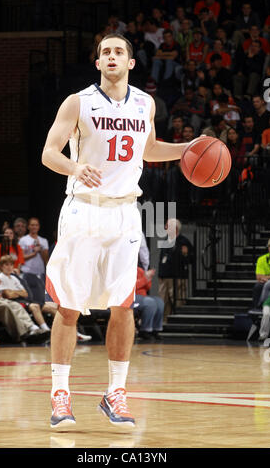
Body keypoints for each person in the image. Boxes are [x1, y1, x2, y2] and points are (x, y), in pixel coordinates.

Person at [41, 33, 190, 431]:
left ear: (130, 63)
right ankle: (60, 393)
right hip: (83, 211)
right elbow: (49, 152)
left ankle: (116, 392)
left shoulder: (145, 103)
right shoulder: (78, 102)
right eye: (105, 52)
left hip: (124, 212)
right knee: (70, 308)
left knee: (123, 305)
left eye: (118, 51)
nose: (111, 56)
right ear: (98, 62)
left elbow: (149, 149)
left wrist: (189, 147)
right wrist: (75, 168)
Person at [0, 244, 48, 344]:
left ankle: (32, 327)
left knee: (14, 304)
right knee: (6, 305)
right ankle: (23, 334)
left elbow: (23, 293)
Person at [0, 255, 51, 335]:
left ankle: (71, 331)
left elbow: (25, 293)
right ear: (1, 266)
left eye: (11, 265)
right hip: (12, 302)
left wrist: (13, 292)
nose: (9, 267)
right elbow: (8, 295)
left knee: (50, 307)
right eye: (6, 265)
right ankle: (46, 330)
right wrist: (18, 292)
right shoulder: (0, 277)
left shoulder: (14, 278)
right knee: (35, 306)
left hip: (22, 300)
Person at [158, 218, 193, 322]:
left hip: (177, 278)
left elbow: (190, 259)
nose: (165, 228)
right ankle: (163, 322)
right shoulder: (166, 240)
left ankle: (178, 321)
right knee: (164, 302)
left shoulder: (183, 241)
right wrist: (160, 274)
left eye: (167, 226)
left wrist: (185, 254)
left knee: (177, 302)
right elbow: (162, 258)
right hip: (164, 277)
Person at [135, 266, 164, 341]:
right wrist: (145, 279)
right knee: (150, 302)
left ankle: (155, 329)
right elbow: (132, 287)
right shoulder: (125, 270)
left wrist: (148, 278)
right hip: (131, 297)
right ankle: (145, 330)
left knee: (159, 301)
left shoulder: (139, 270)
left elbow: (147, 287)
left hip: (142, 296)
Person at [252, 239, 270, 313]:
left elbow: (263, 277)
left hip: (267, 281)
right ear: (268, 248)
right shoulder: (261, 259)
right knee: (258, 286)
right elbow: (259, 277)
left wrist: (267, 277)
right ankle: (257, 308)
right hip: (265, 282)